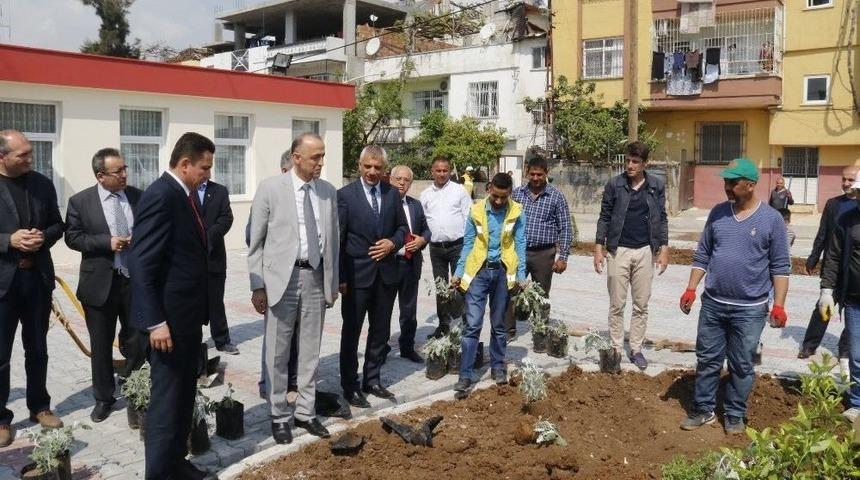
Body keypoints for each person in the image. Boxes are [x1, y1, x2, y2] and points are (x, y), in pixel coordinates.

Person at [678, 158, 790, 435]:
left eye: (732, 182)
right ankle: (703, 409)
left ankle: (734, 413)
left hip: (749, 309)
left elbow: (780, 267)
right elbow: (703, 254)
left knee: (741, 364)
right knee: (708, 359)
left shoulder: (772, 220)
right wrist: (691, 288)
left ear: (750, 185)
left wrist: (779, 305)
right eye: (726, 181)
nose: (727, 186)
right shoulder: (718, 213)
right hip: (713, 304)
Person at [130, 132, 214, 479]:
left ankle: (176, 464)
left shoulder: (183, 195)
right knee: (167, 403)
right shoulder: (161, 196)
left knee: (183, 397)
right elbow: (141, 263)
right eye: (204, 168)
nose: (207, 174)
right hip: (168, 323)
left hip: (186, 318)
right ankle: (160, 473)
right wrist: (155, 322)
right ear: (185, 164)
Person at [249, 133, 339, 444]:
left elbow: (333, 241)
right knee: (278, 351)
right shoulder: (270, 188)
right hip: (281, 281)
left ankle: (305, 411)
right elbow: (256, 242)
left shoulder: (328, 192)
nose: (321, 162)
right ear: (296, 157)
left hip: (315, 277)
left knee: (311, 351)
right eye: (315, 157)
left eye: (323, 156)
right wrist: (258, 285)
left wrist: (331, 282)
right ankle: (278, 415)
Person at [64, 147, 146, 423]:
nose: (124, 175)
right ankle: (103, 398)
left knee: (137, 339)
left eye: (125, 169)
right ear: (101, 176)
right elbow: (73, 237)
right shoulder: (80, 202)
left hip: (134, 281)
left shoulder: (138, 196)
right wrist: (106, 242)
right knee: (100, 345)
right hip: (99, 283)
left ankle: (135, 390)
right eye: (117, 171)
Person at [0, 130, 64, 447]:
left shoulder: (42, 183)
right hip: (3, 284)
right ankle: (1, 419)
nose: (30, 158)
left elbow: (58, 224)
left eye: (30, 152)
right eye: (22, 154)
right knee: (0, 354)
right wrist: (7, 240)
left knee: (37, 349)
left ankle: (39, 406)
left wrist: (43, 237)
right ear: (2, 157)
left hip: (36, 279)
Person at [338, 145, 408, 407]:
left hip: (386, 275)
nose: (372, 171)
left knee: (380, 330)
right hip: (356, 277)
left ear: (384, 169)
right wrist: (340, 278)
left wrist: (393, 242)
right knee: (352, 331)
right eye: (367, 166)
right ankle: (349, 385)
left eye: (377, 167)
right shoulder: (345, 196)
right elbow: (339, 239)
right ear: (359, 166)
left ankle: (372, 379)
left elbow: (402, 228)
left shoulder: (391, 194)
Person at [593, 141, 669, 370]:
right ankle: (616, 349)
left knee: (641, 304)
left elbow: (662, 218)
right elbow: (604, 217)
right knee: (617, 304)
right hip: (618, 250)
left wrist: (664, 248)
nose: (630, 165)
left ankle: (636, 349)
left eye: (635, 161)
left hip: (645, 250)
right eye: (627, 160)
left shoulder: (656, 186)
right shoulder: (615, 185)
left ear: (645, 164)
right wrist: (598, 248)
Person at [451, 173, 527, 398]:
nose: (499, 201)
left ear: (510, 193)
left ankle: (498, 366)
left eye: (504, 197)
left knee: (499, 325)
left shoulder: (517, 211)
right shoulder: (476, 210)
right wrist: (458, 272)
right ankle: (465, 374)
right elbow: (468, 243)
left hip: (503, 273)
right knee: (472, 324)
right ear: (489, 188)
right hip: (479, 273)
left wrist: (521, 274)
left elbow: (520, 243)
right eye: (495, 196)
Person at [504, 156, 573, 339]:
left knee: (541, 295)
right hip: (517, 252)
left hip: (544, 254)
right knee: (510, 289)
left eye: (539, 174)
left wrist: (563, 257)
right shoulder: (517, 194)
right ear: (527, 173)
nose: (535, 178)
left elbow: (565, 227)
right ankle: (508, 330)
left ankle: (540, 333)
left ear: (546, 173)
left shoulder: (556, 196)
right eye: (532, 174)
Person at [798, 165, 859, 361]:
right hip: (834, 267)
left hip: (852, 273)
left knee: (852, 313)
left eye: (850, 180)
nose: (846, 183)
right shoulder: (833, 204)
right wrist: (813, 258)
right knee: (822, 308)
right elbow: (822, 233)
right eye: (844, 179)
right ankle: (809, 345)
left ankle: (845, 349)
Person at [254, 150, 297, 399]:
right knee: (275, 338)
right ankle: (267, 384)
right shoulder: (269, 193)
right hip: (277, 279)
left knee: (297, 337)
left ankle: (291, 381)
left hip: (302, 279)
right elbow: (253, 237)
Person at [819, 178, 860, 421]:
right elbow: (833, 256)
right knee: (856, 354)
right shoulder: (846, 220)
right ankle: (857, 402)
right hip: (854, 299)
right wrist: (826, 290)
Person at [420, 156, 472, 339]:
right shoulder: (425, 195)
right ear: (432, 171)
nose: (442, 174)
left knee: (461, 285)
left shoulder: (460, 191)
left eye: (445, 170)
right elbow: (422, 222)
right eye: (438, 170)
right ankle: (443, 325)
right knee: (441, 286)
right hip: (436, 249)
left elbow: (469, 217)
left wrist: (469, 246)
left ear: (449, 171)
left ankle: (466, 324)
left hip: (458, 246)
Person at [389, 165, 431, 363]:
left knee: (409, 310)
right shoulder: (382, 203)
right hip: (388, 265)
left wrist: (422, 240)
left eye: (406, 180)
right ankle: (380, 349)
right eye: (398, 179)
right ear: (390, 179)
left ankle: (407, 347)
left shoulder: (415, 205)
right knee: (383, 310)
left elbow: (426, 230)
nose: (402, 183)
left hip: (410, 263)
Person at [195, 171, 237, 354]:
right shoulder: (184, 190)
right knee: (192, 300)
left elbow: (227, 217)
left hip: (215, 255)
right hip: (191, 255)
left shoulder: (219, 191)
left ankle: (222, 339)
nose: (206, 171)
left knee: (216, 299)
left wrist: (209, 235)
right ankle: (192, 341)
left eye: (208, 167)